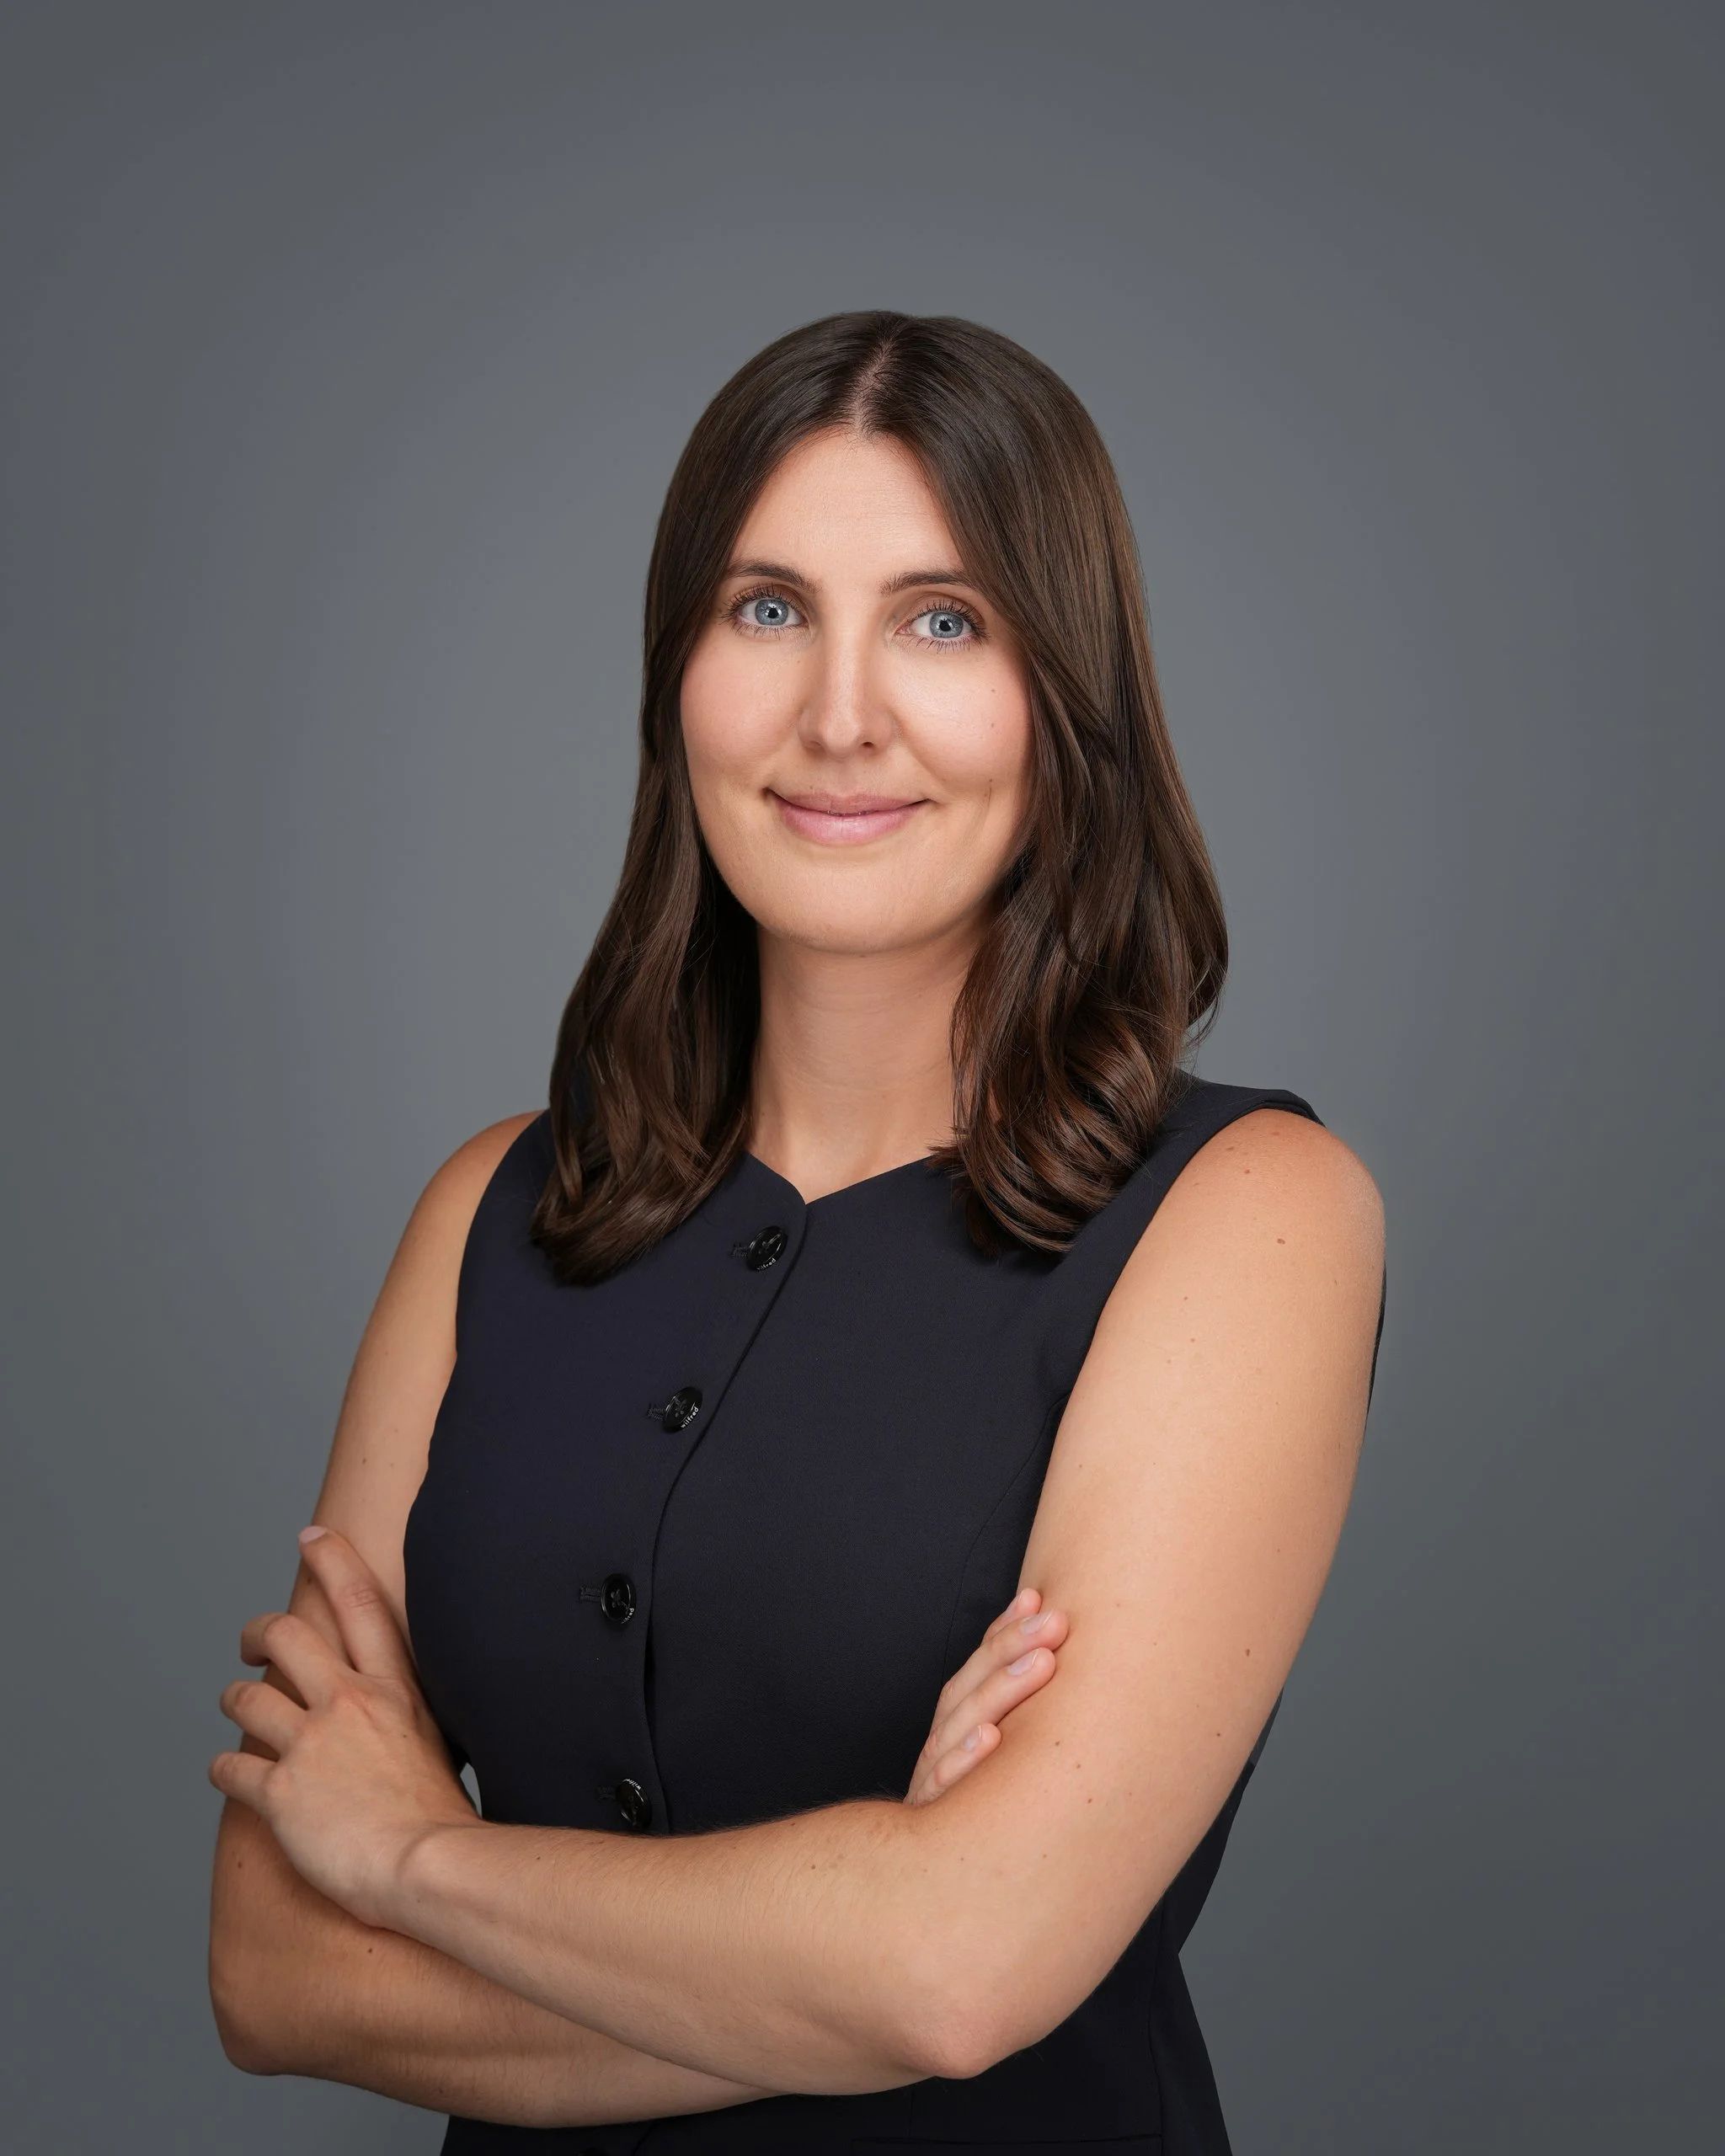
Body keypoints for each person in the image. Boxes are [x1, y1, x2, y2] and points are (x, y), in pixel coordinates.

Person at [207, 309, 1387, 2153]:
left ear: (1059, 693)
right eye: (767, 609)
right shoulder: (487, 1212)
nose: (841, 713)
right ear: (679, 668)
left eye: (943, 619)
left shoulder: (1248, 1216)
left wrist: (412, 1849)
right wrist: (857, 1935)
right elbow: (278, 1969)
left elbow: (962, 1967)